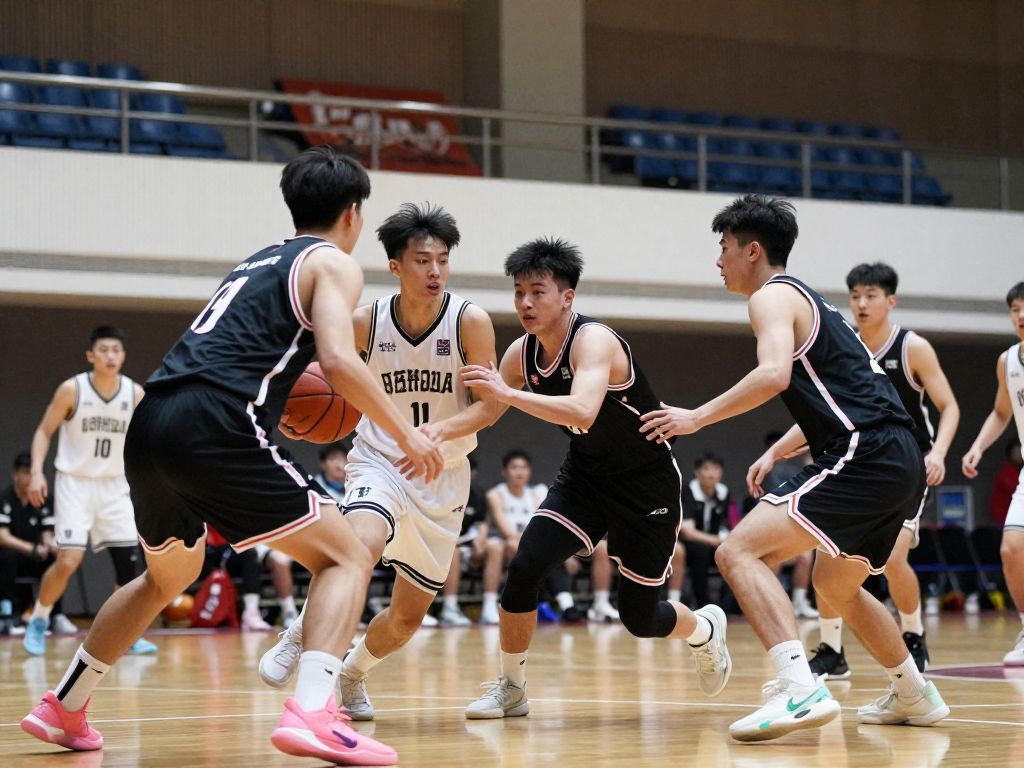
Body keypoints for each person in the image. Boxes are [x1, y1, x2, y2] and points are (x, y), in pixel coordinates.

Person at [21, 146, 443, 764]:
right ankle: (315, 712)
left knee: (166, 577)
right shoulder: (332, 262)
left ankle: (64, 705)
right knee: (348, 555)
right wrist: (408, 434)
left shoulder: (257, 259)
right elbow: (337, 360)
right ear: (353, 214)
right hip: (215, 422)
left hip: (153, 419)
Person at [641, 195, 949, 741]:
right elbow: (837, 398)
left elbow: (774, 374)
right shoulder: (818, 305)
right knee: (834, 585)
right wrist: (776, 451)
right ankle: (914, 692)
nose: (718, 260)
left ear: (752, 250)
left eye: (724, 248)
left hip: (867, 452)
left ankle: (798, 686)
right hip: (897, 456)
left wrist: (696, 418)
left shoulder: (770, 298)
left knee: (738, 550)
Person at [461, 237, 730, 720]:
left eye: (538, 291)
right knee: (526, 565)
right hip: (585, 476)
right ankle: (512, 687)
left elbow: (583, 410)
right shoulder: (521, 356)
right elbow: (486, 409)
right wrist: (431, 434)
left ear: (567, 297)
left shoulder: (594, 340)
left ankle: (704, 629)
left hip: (645, 485)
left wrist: (506, 392)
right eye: (519, 292)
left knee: (640, 618)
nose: (525, 303)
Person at [258, 201, 500, 721]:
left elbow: (492, 405)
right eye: (421, 260)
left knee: (407, 619)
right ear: (395, 266)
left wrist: (440, 429)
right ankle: (303, 637)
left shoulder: (470, 322)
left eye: (441, 260)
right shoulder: (366, 322)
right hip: (379, 461)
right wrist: (284, 403)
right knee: (358, 547)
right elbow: (318, 371)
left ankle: (352, 673)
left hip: (444, 476)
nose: (434, 271)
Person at [809, 262, 959, 679]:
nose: (861, 303)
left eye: (871, 295)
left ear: (890, 301)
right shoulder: (846, 347)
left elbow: (949, 407)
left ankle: (913, 634)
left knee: (894, 557)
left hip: (909, 464)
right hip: (858, 463)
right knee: (826, 549)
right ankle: (831, 649)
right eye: (855, 295)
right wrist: (776, 453)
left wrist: (940, 453)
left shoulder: (913, 348)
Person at [24, 325, 156, 656]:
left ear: (123, 355)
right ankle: (39, 618)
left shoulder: (134, 393)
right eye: (104, 350)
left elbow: (148, 440)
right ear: (91, 355)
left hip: (114, 486)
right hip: (75, 482)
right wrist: (38, 472)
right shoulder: (72, 390)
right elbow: (44, 431)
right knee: (68, 560)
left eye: (117, 350)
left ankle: (126, 632)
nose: (111, 356)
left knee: (129, 567)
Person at [962, 281, 1024, 666]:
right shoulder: (1009, 362)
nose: (1020, 316)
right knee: (1012, 550)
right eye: (1015, 309)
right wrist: (978, 447)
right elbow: (1003, 412)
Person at [482, 449, 589, 625]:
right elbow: (507, 532)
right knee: (520, 546)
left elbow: (550, 529)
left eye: (523, 467)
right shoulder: (496, 494)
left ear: (529, 471)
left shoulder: (538, 492)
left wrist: (565, 553)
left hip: (533, 547)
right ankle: (490, 606)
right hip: (508, 545)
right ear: (504, 472)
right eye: (514, 467)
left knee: (551, 550)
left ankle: (565, 605)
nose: (519, 472)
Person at [1, 452, 58, 636]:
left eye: (32, 474)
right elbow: (2, 536)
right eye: (25, 473)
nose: (29, 478)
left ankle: (52, 615)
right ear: (15, 474)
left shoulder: (42, 499)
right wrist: (31, 549)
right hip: (12, 555)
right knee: (7, 557)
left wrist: (52, 545)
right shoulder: (5, 498)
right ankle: (9, 616)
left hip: (36, 555)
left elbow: (47, 533)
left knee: (55, 559)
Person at [669, 453, 732, 610]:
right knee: (700, 550)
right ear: (697, 472)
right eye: (706, 469)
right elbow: (688, 532)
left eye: (716, 469)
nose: (711, 473)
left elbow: (726, 524)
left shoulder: (723, 492)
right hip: (687, 543)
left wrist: (725, 538)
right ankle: (702, 604)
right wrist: (715, 540)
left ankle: (731, 603)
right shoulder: (688, 491)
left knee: (731, 553)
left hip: (713, 542)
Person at [439, 454, 489, 626]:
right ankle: (449, 608)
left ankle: (490, 606)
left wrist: (481, 539)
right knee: (453, 552)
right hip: (441, 546)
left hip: (467, 545)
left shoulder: (477, 493)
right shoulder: (439, 490)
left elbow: (481, 522)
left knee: (496, 547)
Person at [990, 438, 1023, 527]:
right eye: (1017, 452)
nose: (1021, 455)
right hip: (1004, 522)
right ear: (1010, 454)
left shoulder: (1019, 470)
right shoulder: (1007, 471)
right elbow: (1017, 491)